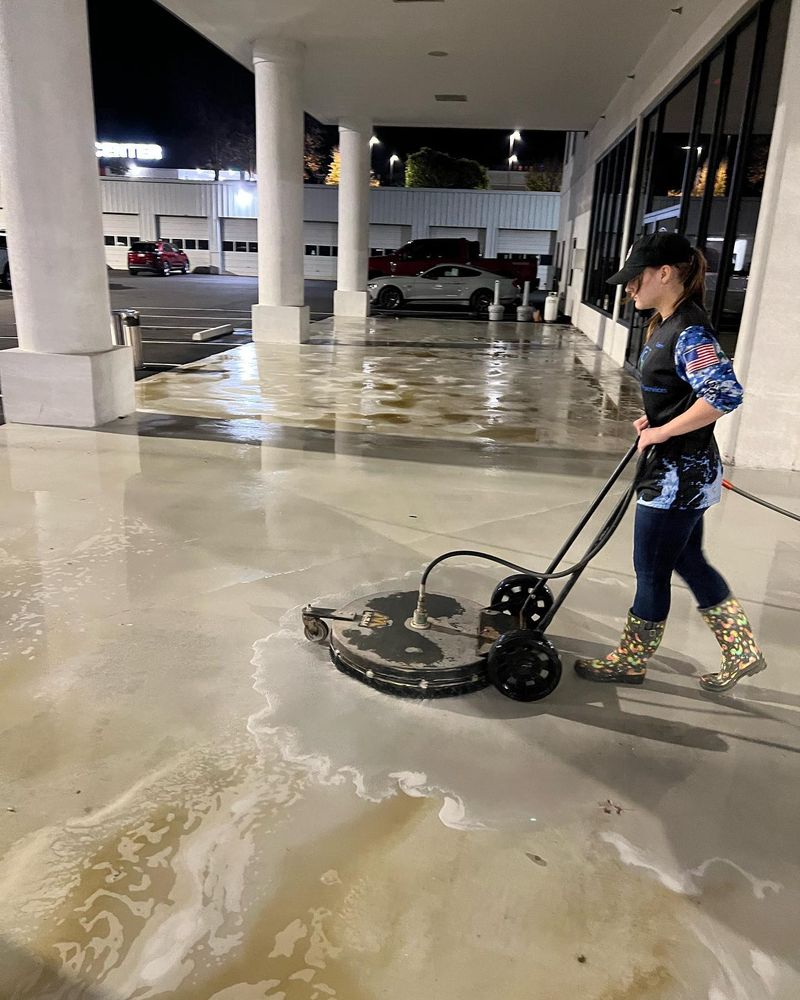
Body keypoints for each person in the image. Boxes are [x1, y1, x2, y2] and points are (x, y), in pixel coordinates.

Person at [574, 232, 766, 692]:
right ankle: (744, 652)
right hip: (683, 469)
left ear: (664, 273)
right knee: (688, 559)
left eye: (635, 279)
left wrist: (663, 431)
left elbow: (724, 395)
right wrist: (657, 417)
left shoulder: (689, 331)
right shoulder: (666, 323)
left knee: (652, 570)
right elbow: (686, 393)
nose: (628, 289)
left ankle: (631, 659)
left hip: (678, 476)